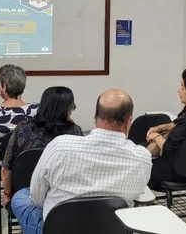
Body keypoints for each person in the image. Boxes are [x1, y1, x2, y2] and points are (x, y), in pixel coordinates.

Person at [11, 89, 152, 234]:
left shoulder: (60, 146)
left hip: (61, 228)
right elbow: (137, 197)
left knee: (21, 197)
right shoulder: (143, 158)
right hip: (111, 228)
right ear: (129, 121)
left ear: (96, 116)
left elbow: (37, 198)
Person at [1, 86, 83, 206]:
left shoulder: (23, 129)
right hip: (63, 197)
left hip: (26, 195)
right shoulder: (75, 133)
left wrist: (8, 196)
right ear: (66, 110)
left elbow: (5, 170)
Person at [0, 64, 39, 165]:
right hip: (31, 164)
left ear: (4, 87)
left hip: (3, 164)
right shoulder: (37, 109)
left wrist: (5, 98)